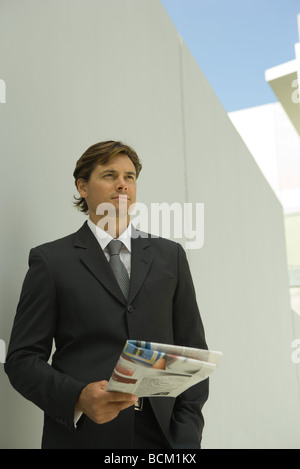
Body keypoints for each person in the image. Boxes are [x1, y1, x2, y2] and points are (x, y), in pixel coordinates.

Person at [5, 140, 209, 449]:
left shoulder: (171, 256)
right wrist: (78, 398)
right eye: (110, 175)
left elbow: (192, 349)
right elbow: (21, 360)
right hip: (85, 437)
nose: (123, 185)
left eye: (130, 177)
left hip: (163, 438)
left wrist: (187, 432)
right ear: (83, 187)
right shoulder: (51, 261)